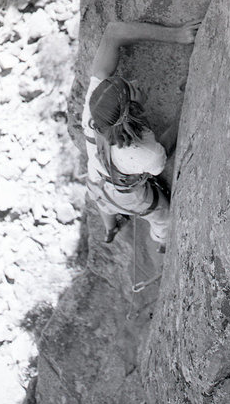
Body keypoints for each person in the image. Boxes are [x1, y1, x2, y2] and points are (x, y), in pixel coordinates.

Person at [81, 20, 200, 251]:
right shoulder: (144, 154)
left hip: (95, 180)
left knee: (104, 204)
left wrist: (178, 35)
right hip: (130, 196)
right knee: (162, 216)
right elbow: (162, 154)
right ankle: (162, 242)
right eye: (132, 89)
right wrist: (186, 104)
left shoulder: (96, 108)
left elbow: (113, 32)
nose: (135, 82)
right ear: (132, 112)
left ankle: (110, 228)